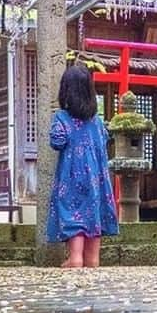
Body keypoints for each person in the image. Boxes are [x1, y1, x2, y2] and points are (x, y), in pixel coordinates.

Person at [48, 63, 118, 267]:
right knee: (93, 216)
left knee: (73, 215)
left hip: (71, 176)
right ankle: (91, 260)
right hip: (97, 178)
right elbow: (104, 142)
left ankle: (74, 259)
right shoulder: (97, 122)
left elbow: (57, 142)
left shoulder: (62, 118)